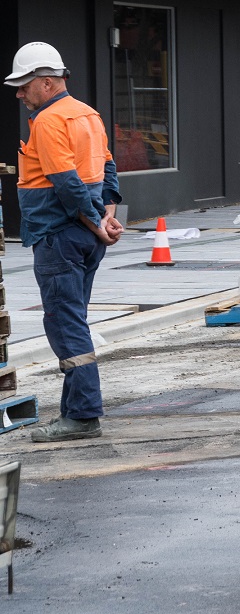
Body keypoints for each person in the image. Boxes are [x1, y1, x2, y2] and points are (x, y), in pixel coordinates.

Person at [9, 42, 122, 443]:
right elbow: (108, 166)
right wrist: (109, 214)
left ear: (45, 82)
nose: (19, 94)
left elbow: (66, 183)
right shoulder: (86, 114)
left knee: (64, 322)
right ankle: (76, 410)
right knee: (73, 319)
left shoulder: (49, 121)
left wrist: (96, 223)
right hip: (83, 237)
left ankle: (83, 416)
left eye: (23, 86)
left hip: (60, 235)